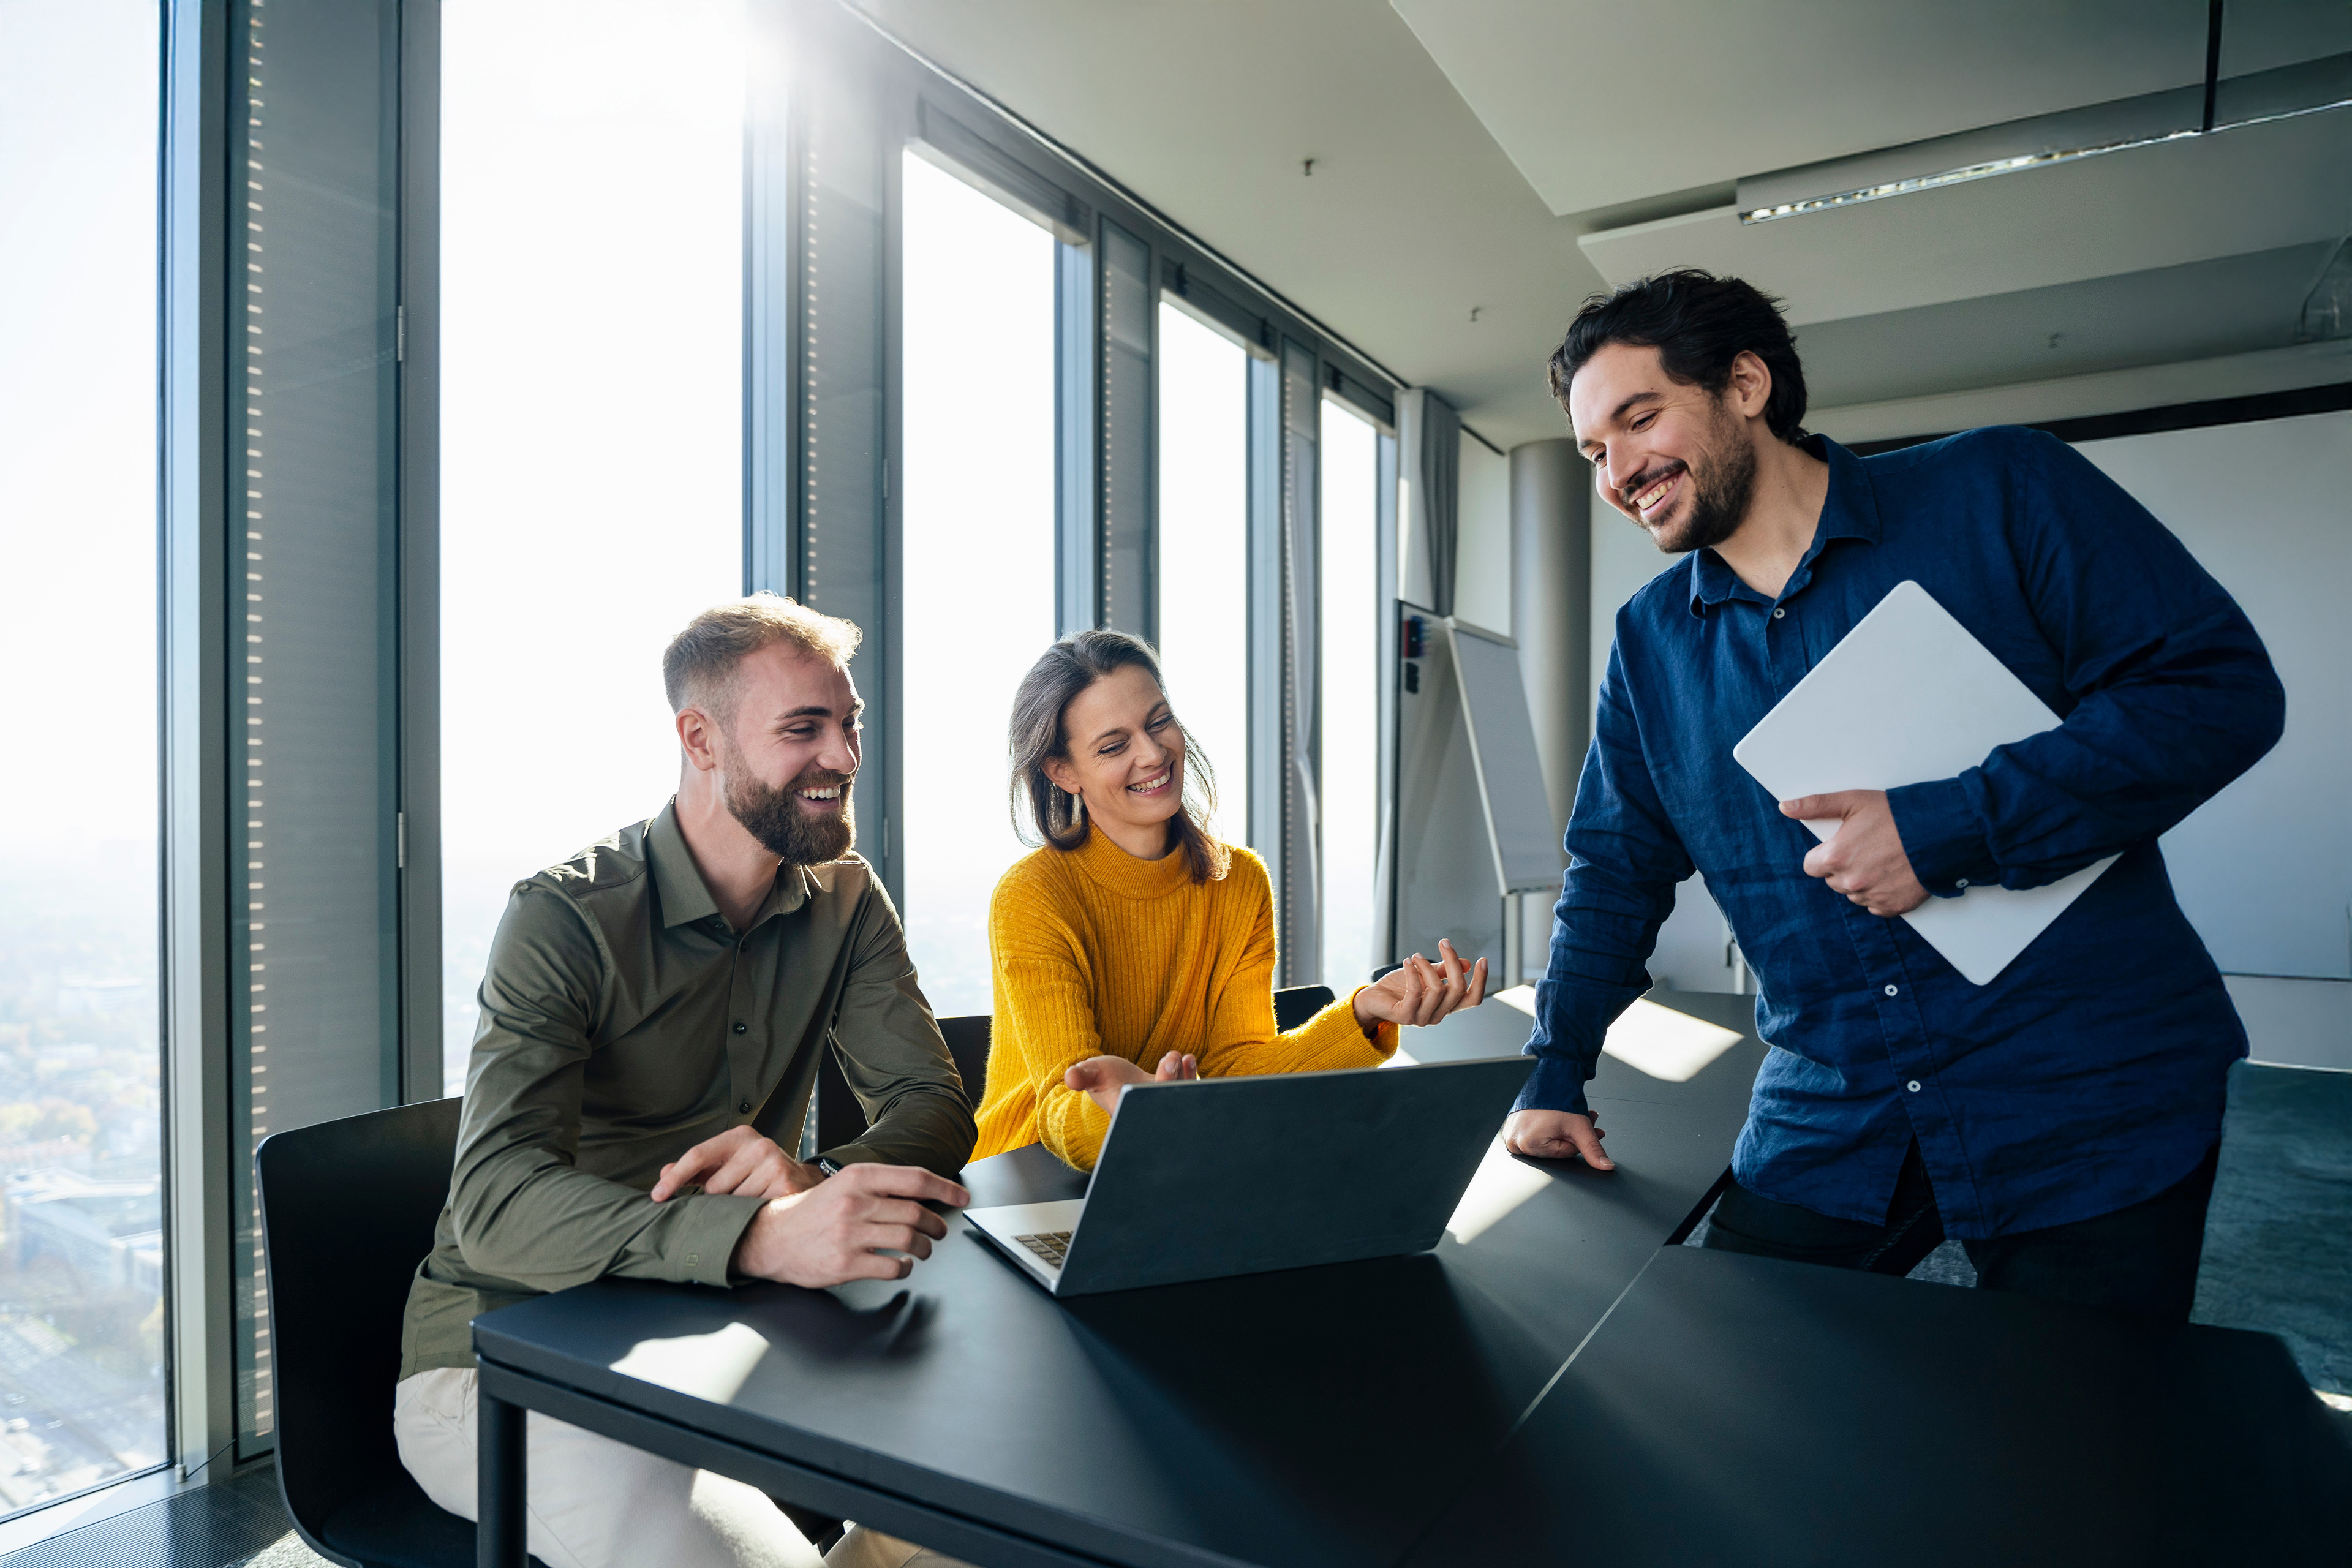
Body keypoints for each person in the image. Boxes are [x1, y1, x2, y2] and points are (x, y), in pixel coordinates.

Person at [1503, 270, 2282, 1321]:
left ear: (1745, 384)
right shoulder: (1651, 642)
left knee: (2085, 1457)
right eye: (1595, 451)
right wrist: (1557, 1065)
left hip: (2087, 1085)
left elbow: (2215, 692)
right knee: (1735, 1385)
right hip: (1834, 1099)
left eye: (1640, 419)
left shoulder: (1999, 490)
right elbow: (1616, 867)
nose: (1619, 472)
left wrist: (1946, 826)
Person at [394, 594, 978, 1568]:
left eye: (850, 725)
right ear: (700, 740)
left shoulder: (846, 901)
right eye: (805, 729)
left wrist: (813, 1185)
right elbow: (493, 1203)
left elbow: (931, 1105)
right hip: (503, 1366)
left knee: (1004, 1516)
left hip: (728, 1339)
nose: (844, 757)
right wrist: (753, 1235)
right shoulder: (564, 916)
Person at [971, 630, 1489, 1170]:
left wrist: (1363, 1013)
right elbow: (1062, 1107)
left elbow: (1240, 1070)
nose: (1152, 754)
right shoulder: (1033, 896)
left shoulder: (1238, 879)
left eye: (1158, 722)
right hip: (1028, 1182)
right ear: (1063, 772)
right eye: (1113, 746)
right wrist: (1134, 1109)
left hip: (1185, 1160)